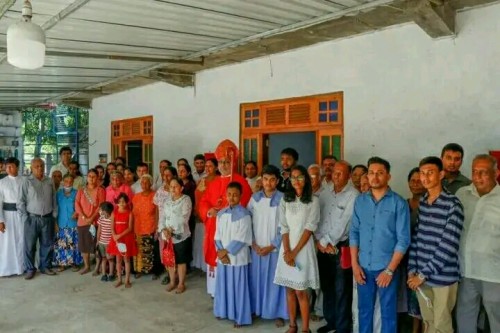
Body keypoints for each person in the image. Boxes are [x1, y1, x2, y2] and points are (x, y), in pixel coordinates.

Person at [350, 156, 410, 333]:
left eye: (380, 173)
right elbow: (354, 232)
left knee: (388, 313)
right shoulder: (360, 201)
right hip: (363, 267)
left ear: (388, 176)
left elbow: (403, 239)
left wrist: (390, 270)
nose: (375, 177)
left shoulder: (398, 203)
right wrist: (354, 264)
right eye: (371, 173)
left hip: (386, 268)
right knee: (364, 311)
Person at [408, 156, 464, 333]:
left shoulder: (453, 205)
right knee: (428, 322)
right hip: (422, 278)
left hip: (443, 279)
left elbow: (448, 246)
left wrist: (422, 275)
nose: (425, 177)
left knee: (442, 325)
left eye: (430, 173)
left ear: (441, 174)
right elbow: (417, 238)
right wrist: (412, 269)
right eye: (422, 173)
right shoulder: (424, 202)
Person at [198, 139, 252, 297]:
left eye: (227, 162)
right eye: (220, 162)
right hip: (215, 228)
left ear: (233, 162)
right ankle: (216, 293)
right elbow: (204, 201)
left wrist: (222, 212)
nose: (223, 165)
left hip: (233, 232)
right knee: (215, 257)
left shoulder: (240, 181)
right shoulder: (213, 182)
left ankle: (230, 295)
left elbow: (244, 206)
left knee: (230, 260)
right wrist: (209, 211)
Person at [456, 154, 500, 333]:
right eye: (474, 172)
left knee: (496, 319)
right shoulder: (462, 194)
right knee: (464, 318)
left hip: (493, 274)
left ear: (496, 173)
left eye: (484, 172)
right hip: (465, 270)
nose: (477, 177)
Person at [274, 165, 321, 333]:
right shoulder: (284, 200)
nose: (296, 180)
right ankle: (292, 325)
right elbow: (284, 227)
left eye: (300, 177)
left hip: (303, 249)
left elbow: (310, 228)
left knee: (301, 291)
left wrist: (294, 252)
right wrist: (287, 252)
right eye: (293, 178)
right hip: (286, 250)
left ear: (306, 179)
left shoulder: (313, 200)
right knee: (289, 289)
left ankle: (305, 328)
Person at [316, 161, 359, 333]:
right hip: (322, 247)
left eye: (341, 173)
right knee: (327, 287)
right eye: (335, 172)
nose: (336, 176)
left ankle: (342, 328)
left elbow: (345, 224)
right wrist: (320, 241)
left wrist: (326, 241)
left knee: (342, 290)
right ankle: (331, 322)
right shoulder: (325, 194)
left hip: (341, 247)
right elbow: (317, 218)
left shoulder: (353, 195)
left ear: (348, 176)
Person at [248, 165, 288, 326]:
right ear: (261, 180)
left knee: (275, 282)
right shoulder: (254, 199)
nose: (268, 183)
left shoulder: (284, 199)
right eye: (265, 179)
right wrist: (253, 243)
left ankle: (277, 312)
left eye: (272, 180)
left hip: (275, 249)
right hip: (256, 248)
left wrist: (272, 245)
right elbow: (247, 222)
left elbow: (286, 226)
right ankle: (256, 309)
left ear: (277, 181)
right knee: (256, 280)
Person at [214, 182, 253, 328]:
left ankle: (240, 317)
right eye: (229, 194)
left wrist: (226, 251)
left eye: (235, 194)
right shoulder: (221, 214)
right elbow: (217, 235)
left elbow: (242, 238)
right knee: (223, 285)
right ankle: (223, 311)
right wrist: (220, 252)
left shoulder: (245, 215)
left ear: (241, 196)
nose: (232, 197)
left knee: (238, 287)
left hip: (237, 256)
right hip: (223, 258)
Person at [18, 158, 58, 280]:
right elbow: (20, 201)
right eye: (36, 166)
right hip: (31, 218)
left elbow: (54, 200)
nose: (40, 168)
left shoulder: (49, 181)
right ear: (31, 168)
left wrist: (54, 217)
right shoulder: (27, 181)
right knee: (29, 246)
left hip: (47, 218)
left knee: (47, 244)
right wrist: (25, 217)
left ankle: (45, 267)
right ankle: (30, 269)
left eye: (41, 166)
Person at [401, 167, 425, 333]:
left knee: (421, 299)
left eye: (419, 180)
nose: (415, 184)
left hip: (421, 259)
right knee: (405, 298)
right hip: (402, 258)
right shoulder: (402, 204)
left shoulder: (429, 205)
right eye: (412, 181)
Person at [159, 177, 192, 293]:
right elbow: (162, 217)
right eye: (171, 186)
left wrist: (171, 230)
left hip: (180, 236)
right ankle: (173, 282)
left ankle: (181, 283)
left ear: (181, 188)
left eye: (175, 186)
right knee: (170, 260)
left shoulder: (186, 200)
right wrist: (163, 229)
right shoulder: (166, 201)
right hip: (167, 236)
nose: (172, 188)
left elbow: (184, 218)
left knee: (181, 260)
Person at [75, 168, 106, 275]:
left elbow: (100, 206)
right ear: (86, 177)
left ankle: (97, 267)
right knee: (84, 245)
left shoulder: (101, 190)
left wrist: (92, 218)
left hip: (96, 221)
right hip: (82, 221)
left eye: (94, 176)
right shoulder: (81, 190)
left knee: (97, 245)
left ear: (97, 178)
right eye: (89, 176)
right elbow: (77, 204)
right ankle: (87, 266)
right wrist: (84, 217)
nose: (91, 178)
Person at [192, 158, 218, 272]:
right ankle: (202, 265)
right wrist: (198, 211)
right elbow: (197, 198)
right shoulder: (201, 181)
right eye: (206, 166)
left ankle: (212, 265)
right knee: (201, 240)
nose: (207, 168)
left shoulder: (219, 180)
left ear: (216, 167)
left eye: (210, 166)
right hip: (201, 215)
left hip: (214, 215)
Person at [153, 166, 177, 285]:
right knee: (164, 252)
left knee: (174, 252)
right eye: (164, 175)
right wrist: (157, 225)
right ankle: (169, 274)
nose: (166, 177)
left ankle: (175, 275)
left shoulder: (175, 190)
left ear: (174, 176)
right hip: (162, 226)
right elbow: (157, 209)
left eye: (168, 175)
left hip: (173, 227)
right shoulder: (160, 190)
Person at [107, 193, 137, 288]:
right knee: (118, 260)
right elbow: (111, 227)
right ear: (117, 203)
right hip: (116, 239)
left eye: (123, 202)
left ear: (127, 202)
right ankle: (119, 279)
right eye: (119, 202)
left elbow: (130, 228)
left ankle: (127, 280)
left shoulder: (130, 213)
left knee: (127, 260)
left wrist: (119, 235)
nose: (121, 203)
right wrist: (115, 236)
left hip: (126, 239)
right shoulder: (114, 213)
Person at [0, 157, 24, 277]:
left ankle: (22, 266)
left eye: (11, 166)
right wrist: (1, 220)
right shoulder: (2, 182)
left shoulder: (24, 181)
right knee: (8, 242)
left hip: (22, 215)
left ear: (17, 167)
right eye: (7, 166)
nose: (8, 168)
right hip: (7, 216)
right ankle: (8, 268)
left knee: (22, 240)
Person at [53, 174, 82, 272]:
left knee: (73, 244)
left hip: (73, 223)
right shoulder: (58, 193)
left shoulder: (77, 193)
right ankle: (62, 263)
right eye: (66, 181)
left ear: (73, 182)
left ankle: (73, 263)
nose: (68, 183)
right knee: (62, 244)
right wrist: (55, 223)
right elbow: (55, 209)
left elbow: (80, 207)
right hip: (61, 222)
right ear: (63, 182)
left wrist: (77, 213)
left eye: (70, 181)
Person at [132, 174, 157, 278]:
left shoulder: (155, 195)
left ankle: (152, 271)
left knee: (150, 250)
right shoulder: (136, 197)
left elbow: (157, 213)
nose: (144, 184)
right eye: (142, 182)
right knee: (138, 250)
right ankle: (139, 270)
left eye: (146, 182)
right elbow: (133, 212)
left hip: (150, 226)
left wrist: (156, 227)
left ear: (151, 183)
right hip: (138, 226)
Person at [96, 201, 115, 282]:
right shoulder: (101, 218)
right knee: (104, 259)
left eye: (101, 209)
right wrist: (98, 240)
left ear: (106, 210)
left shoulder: (112, 219)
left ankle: (111, 274)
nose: (100, 211)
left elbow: (113, 231)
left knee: (110, 259)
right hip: (102, 243)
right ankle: (104, 274)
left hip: (110, 243)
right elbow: (99, 230)